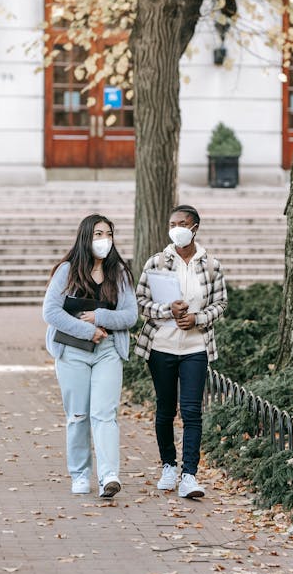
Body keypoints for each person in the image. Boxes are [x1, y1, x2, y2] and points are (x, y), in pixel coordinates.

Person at [135, 205, 227, 500]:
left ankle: (189, 475)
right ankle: (168, 466)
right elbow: (141, 302)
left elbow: (220, 303)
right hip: (161, 346)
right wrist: (167, 310)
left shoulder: (211, 264)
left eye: (182, 223)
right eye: (172, 223)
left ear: (195, 227)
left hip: (195, 348)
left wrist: (197, 319)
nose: (176, 228)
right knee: (165, 410)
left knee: (191, 411)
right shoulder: (156, 262)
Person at [43, 214, 137, 499]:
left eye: (108, 233)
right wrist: (87, 330)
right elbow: (51, 312)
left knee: (104, 414)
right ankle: (80, 473)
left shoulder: (119, 273)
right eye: (98, 234)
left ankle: (109, 475)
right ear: (86, 237)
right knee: (78, 415)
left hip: (108, 351)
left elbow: (130, 315)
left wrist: (99, 317)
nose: (104, 240)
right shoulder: (67, 271)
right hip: (73, 352)